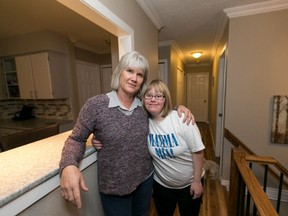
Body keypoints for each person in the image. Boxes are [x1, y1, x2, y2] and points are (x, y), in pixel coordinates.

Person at [59, 51, 194, 216]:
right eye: (129, 71)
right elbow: (76, 139)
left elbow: (162, 110)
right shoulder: (96, 105)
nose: (134, 78)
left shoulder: (144, 106)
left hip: (145, 180)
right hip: (114, 188)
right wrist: (68, 165)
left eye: (140, 74)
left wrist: (179, 108)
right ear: (119, 73)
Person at [143, 79, 205, 216]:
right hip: (162, 186)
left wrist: (197, 181)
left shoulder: (182, 119)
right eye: (148, 95)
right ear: (144, 99)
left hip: (189, 185)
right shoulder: (142, 122)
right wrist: (99, 138)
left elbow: (198, 151)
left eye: (158, 96)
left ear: (165, 99)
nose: (153, 99)